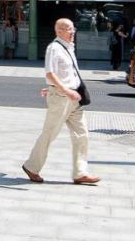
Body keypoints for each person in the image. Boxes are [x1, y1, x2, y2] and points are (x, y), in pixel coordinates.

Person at [23, 18, 98, 185]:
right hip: (62, 98)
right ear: (59, 31)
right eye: (69, 29)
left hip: (74, 98)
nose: (73, 32)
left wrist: (54, 88)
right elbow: (50, 73)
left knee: (82, 134)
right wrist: (62, 90)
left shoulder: (69, 48)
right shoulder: (54, 48)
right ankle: (32, 166)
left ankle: (80, 172)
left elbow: (65, 74)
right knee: (50, 134)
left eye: (73, 29)